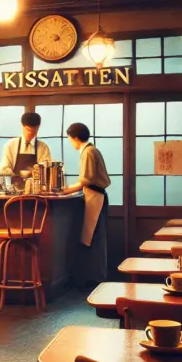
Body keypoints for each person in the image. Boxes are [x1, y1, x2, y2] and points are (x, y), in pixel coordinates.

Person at [60, 122, 111, 285]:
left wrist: (65, 190)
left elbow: (85, 180)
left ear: (75, 138)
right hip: (94, 195)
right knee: (93, 238)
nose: (70, 142)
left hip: (96, 196)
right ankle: (94, 277)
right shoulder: (90, 150)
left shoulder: (88, 152)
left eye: (70, 139)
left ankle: (96, 279)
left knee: (95, 239)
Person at [0, 112, 52, 188]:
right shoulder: (10, 145)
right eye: (28, 130)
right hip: (14, 191)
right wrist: (16, 174)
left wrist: (34, 172)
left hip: (37, 191)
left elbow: (46, 170)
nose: (31, 133)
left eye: (34, 131)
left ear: (38, 127)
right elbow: (4, 169)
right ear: (22, 126)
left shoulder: (43, 147)